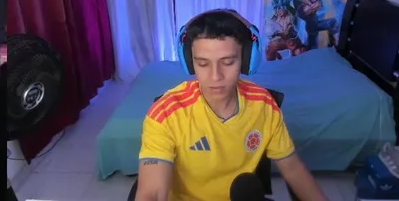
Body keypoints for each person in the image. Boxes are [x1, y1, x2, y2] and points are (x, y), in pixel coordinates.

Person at [136, 10, 326, 201]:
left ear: (246, 60)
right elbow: (152, 191)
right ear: (190, 63)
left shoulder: (264, 105)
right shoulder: (165, 112)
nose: (215, 77)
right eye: (203, 64)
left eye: (227, 62)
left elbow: (292, 168)